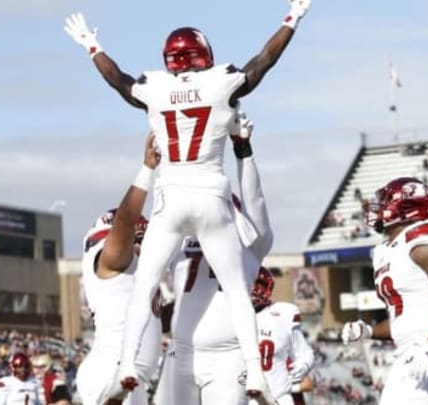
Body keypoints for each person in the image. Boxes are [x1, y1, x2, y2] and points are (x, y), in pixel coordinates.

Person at [64, 2, 311, 400]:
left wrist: (92, 46)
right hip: (212, 194)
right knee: (236, 290)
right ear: (204, 54)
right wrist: (291, 20)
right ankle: (255, 374)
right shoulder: (219, 82)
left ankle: (125, 366)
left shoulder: (156, 86)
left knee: (145, 284)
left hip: (171, 196)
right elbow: (263, 61)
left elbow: (119, 81)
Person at [153, 113, 275, 405]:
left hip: (228, 356)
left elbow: (255, 201)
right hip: (180, 351)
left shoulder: (250, 238)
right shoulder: (181, 235)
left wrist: (243, 151)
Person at [340, 177, 428, 404]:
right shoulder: (387, 249)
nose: (379, 208)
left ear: (407, 207)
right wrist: (369, 331)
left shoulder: (420, 239)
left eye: (386, 201)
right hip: (415, 347)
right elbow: (407, 319)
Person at [76, 133, 162, 405]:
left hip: (127, 374)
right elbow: (125, 221)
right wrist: (147, 170)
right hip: (113, 369)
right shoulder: (112, 261)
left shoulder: (134, 269)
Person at [250, 267, 315, 405]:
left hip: (279, 396)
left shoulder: (282, 314)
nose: (253, 290)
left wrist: (304, 364)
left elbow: (305, 353)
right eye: (248, 284)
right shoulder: (228, 314)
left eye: (258, 285)